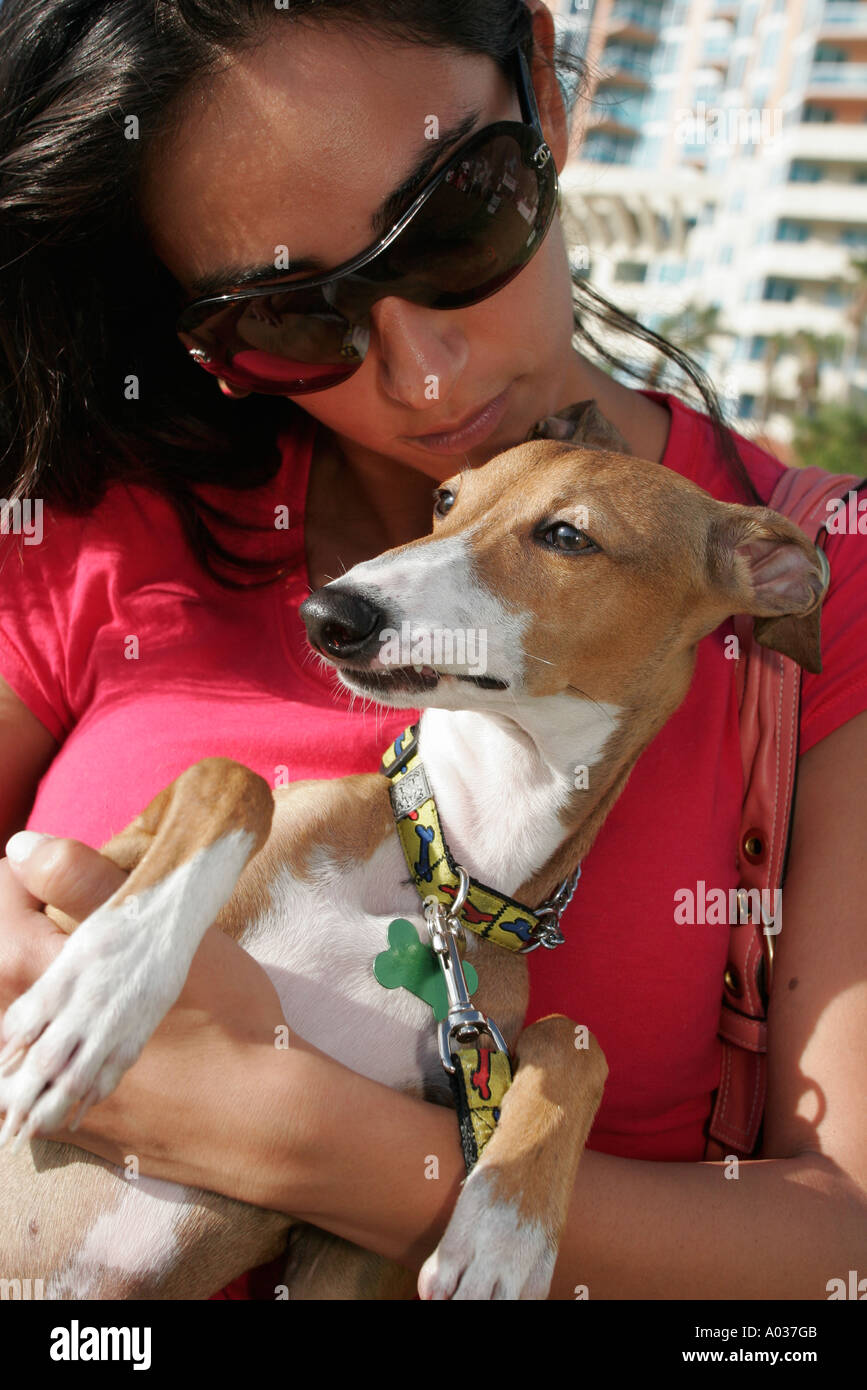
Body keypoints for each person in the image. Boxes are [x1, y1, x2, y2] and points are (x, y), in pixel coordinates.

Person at [0, 0, 865, 1300]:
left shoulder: (826, 573)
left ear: (547, 94)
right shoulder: (92, 517)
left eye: (458, 218)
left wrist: (292, 1128)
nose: (425, 374)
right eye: (290, 314)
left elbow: (844, 1242)